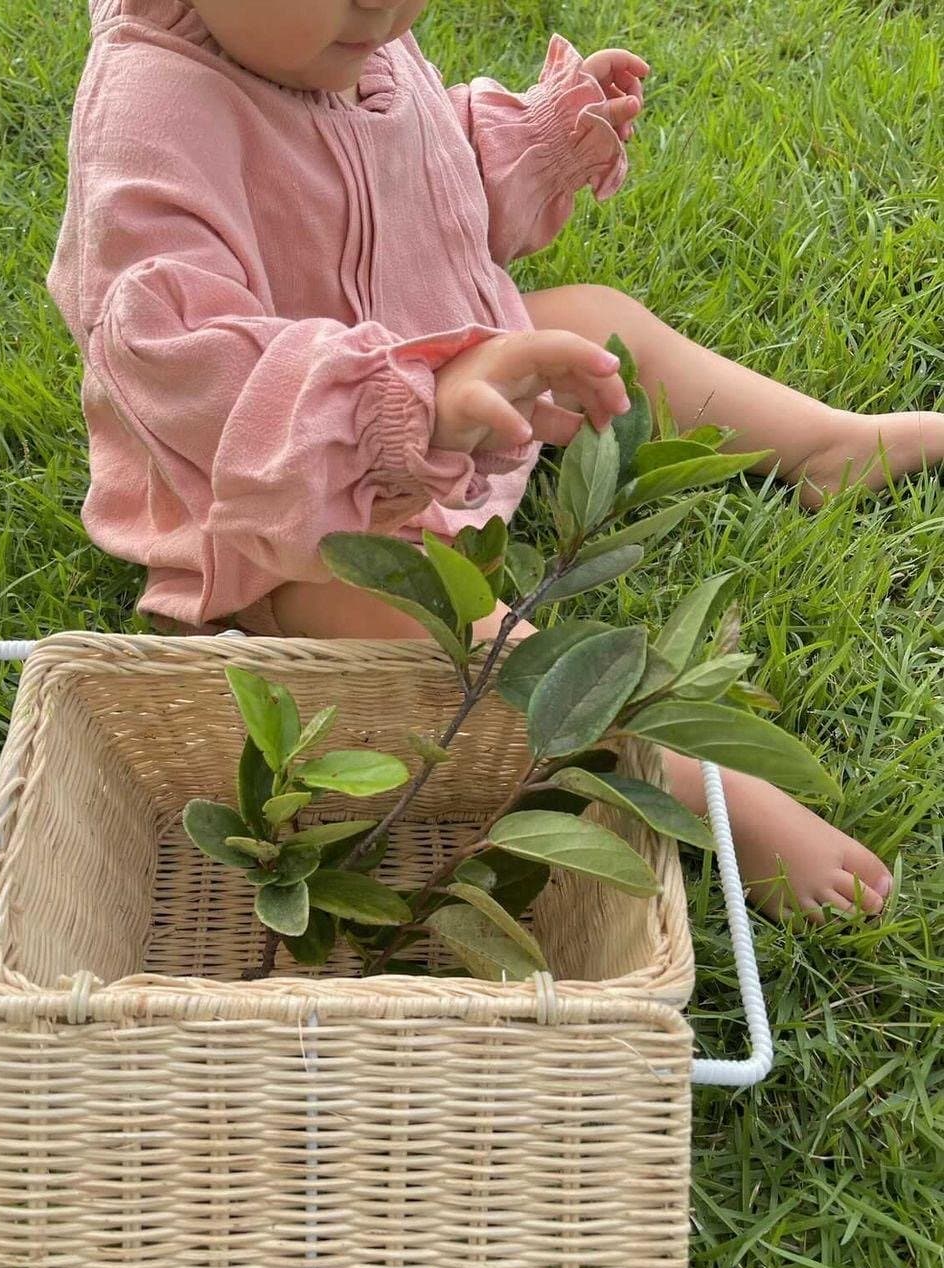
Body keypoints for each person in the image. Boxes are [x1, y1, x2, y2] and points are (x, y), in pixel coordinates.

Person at [47, 0, 942, 921]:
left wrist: (540, 137)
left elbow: (427, 189)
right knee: (416, 610)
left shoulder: (350, 40)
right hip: (276, 498)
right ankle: (678, 775)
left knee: (593, 322)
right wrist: (405, 404)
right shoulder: (152, 115)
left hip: (441, 382)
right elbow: (178, 357)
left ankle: (828, 444)